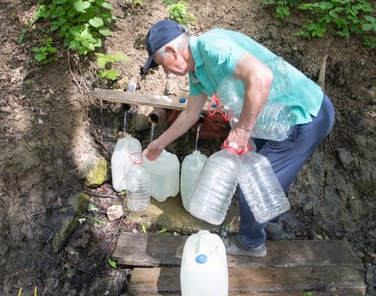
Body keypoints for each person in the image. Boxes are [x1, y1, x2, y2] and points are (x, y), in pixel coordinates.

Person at [141, 19, 335, 257]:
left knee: (251, 184)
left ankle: (250, 243)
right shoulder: (198, 73)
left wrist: (242, 131)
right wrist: (160, 143)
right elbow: (190, 114)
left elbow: (262, 77)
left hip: (302, 117)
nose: (166, 72)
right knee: (265, 179)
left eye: (163, 65)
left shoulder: (213, 47)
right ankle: (270, 223)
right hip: (272, 123)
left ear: (172, 51)